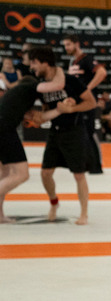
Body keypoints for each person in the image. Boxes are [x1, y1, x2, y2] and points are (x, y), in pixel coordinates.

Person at [28, 47, 96, 225]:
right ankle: (54, 203)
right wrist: (39, 118)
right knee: (45, 173)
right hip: (55, 132)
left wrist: (72, 108)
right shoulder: (42, 85)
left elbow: (91, 102)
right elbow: (45, 110)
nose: (31, 68)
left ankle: (84, 214)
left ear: (44, 62)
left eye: (34, 63)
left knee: (79, 174)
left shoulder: (71, 81)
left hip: (74, 131)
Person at [0, 75, 51, 223]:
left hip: (3, 128)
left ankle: (0, 215)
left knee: (5, 173)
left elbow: (29, 116)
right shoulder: (30, 89)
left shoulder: (15, 96)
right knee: (22, 174)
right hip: (4, 129)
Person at [61, 33, 106, 174]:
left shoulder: (87, 59)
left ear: (76, 44)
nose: (66, 48)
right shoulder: (73, 62)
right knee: (80, 132)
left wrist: (88, 89)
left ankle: (95, 166)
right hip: (77, 103)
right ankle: (85, 163)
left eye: (68, 44)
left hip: (88, 102)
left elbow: (102, 73)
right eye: (64, 45)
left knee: (89, 132)